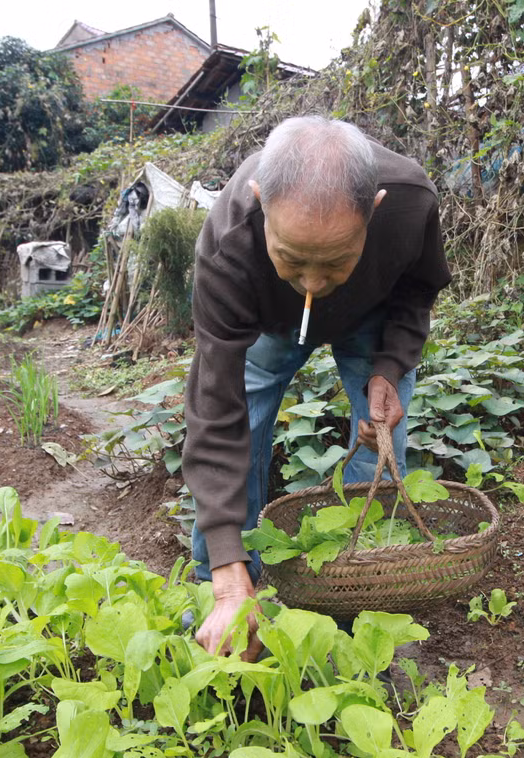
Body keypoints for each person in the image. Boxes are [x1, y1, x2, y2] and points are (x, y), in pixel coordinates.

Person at [181, 116, 451, 657]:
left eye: (334, 260)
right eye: (292, 257)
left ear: (372, 210)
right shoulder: (229, 241)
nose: (312, 283)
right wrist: (231, 575)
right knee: (247, 417)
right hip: (268, 321)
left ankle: (355, 592)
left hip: (369, 315)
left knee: (381, 439)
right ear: (261, 203)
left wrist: (390, 367)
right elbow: (216, 409)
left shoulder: (408, 202)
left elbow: (418, 291)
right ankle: (223, 582)